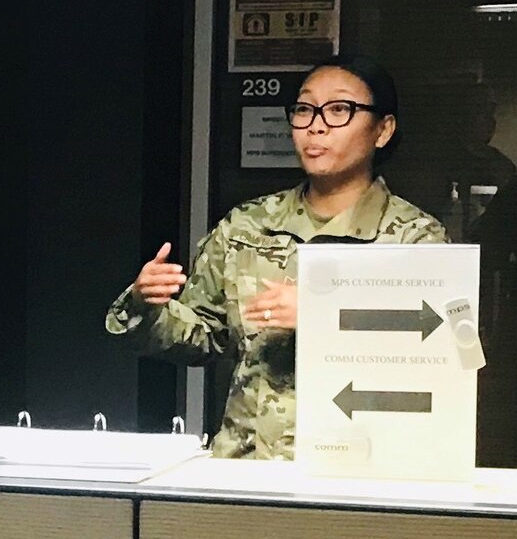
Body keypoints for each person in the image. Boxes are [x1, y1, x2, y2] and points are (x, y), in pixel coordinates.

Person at [105, 55, 447, 460]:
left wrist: (326, 313)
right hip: (248, 466)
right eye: (304, 109)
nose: (316, 125)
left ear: (382, 130)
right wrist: (149, 306)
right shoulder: (248, 226)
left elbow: (445, 359)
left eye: (340, 110)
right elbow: (204, 337)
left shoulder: (414, 239)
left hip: (360, 468)